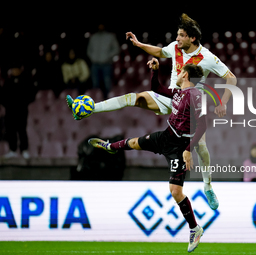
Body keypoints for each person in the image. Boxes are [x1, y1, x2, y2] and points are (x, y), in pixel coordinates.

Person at [67, 14, 237, 210]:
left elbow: (231, 78)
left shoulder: (207, 57)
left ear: (192, 38)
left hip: (191, 106)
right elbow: (160, 52)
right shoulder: (175, 46)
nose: (177, 39)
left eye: (181, 35)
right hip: (171, 96)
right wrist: (139, 44)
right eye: (177, 35)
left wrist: (223, 102)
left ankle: (207, 187)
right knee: (134, 97)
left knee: (202, 149)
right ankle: (89, 109)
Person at [88, 60, 205, 252]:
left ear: (185, 75)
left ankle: (195, 228)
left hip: (179, 146)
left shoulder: (195, 95)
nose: (177, 72)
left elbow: (203, 125)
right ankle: (110, 146)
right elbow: (156, 88)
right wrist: (155, 70)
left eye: (180, 70)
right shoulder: (179, 93)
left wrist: (188, 150)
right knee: (135, 143)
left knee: (175, 191)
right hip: (167, 136)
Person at [0, 60, 37, 159]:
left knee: (22, 130)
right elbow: (2, 96)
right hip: (10, 111)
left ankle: (24, 150)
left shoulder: (26, 81)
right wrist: (7, 104)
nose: (14, 71)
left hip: (21, 110)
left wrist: (23, 103)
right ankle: (12, 150)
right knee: (10, 130)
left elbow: (31, 95)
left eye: (16, 69)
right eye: (13, 69)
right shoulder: (8, 82)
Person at [87, 23, 120, 99]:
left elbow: (116, 49)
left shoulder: (110, 36)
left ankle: (108, 102)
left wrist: (108, 57)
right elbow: (89, 50)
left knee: (107, 84)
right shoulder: (93, 37)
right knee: (95, 84)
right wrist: (93, 57)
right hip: (95, 64)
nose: (100, 26)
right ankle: (96, 102)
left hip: (106, 64)